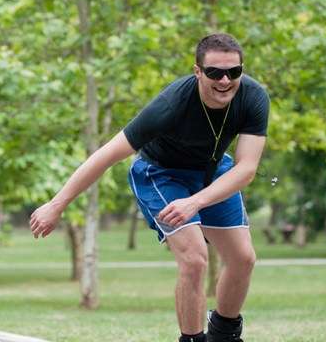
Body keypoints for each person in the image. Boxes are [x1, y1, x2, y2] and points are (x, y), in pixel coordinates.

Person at [30, 33, 269, 342]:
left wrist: (195, 201)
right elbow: (106, 155)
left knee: (243, 259)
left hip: (211, 171)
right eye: (214, 73)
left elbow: (246, 168)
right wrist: (56, 204)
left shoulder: (253, 97)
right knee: (195, 259)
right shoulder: (171, 105)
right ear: (198, 71)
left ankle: (223, 334)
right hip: (161, 174)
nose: (225, 80)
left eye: (233, 72)